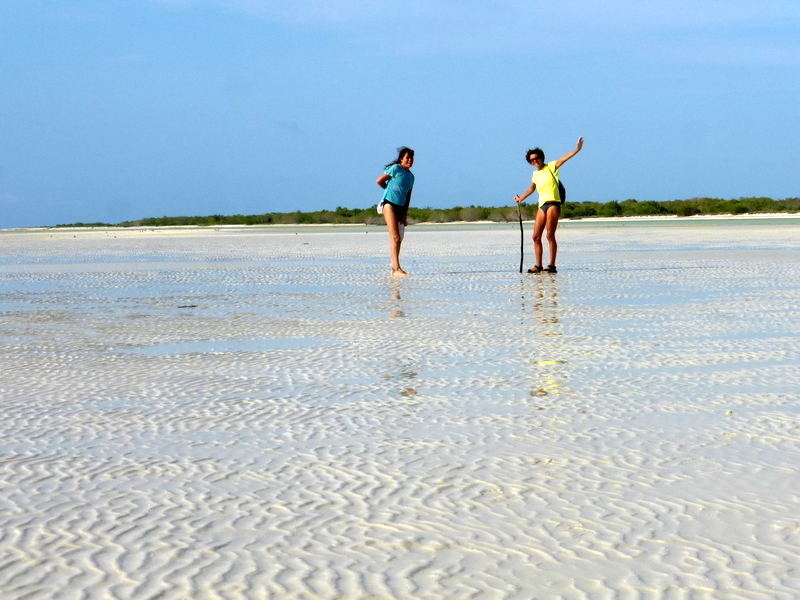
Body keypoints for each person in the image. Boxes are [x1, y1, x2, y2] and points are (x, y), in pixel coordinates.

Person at [514, 137, 584, 273]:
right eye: (532, 160)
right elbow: (531, 188)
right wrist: (520, 198)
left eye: (536, 158)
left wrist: (578, 149)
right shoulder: (535, 174)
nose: (535, 161)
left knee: (550, 235)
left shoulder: (551, 166)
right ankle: (538, 265)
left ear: (541, 157)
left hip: (553, 203)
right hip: (542, 205)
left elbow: (564, 158)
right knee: (535, 237)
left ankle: (551, 266)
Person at [376, 147, 415, 276]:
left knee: (398, 239)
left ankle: (394, 268)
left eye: (411, 157)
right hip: (389, 203)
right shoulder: (396, 168)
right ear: (401, 159)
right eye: (407, 157)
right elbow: (379, 181)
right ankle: (396, 269)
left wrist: (404, 215)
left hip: (401, 207)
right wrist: (388, 188)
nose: (409, 160)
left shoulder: (411, 176)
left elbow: (408, 196)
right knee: (395, 237)